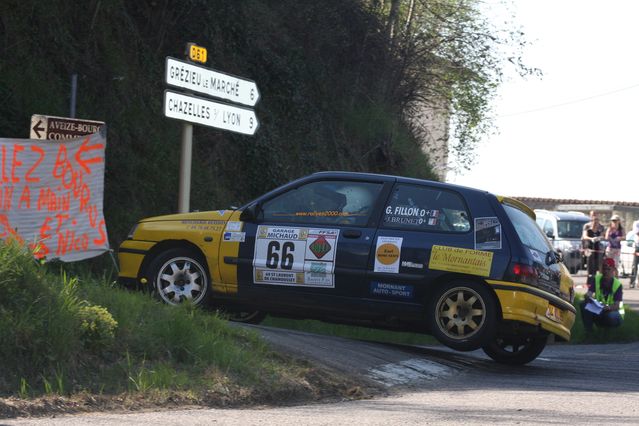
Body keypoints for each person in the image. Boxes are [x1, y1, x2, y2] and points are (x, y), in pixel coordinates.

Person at [580, 258, 624, 331]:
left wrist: (607, 308)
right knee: (583, 304)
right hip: (599, 308)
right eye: (604, 269)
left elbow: (616, 306)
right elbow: (589, 293)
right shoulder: (597, 279)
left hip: (613, 311)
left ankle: (609, 332)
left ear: (613, 270)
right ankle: (589, 331)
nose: (605, 271)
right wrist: (587, 296)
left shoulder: (617, 285)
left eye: (608, 269)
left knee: (611, 316)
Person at [582, 210, 605, 276]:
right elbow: (584, 236)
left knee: (598, 264)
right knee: (589, 264)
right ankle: (589, 280)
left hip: (597, 248)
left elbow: (603, 236)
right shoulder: (587, 226)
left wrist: (599, 238)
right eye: (593, 215)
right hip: (589, 247)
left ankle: (596, 280)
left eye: (595, 215)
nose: (594, 216)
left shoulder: (601, 227)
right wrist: (591, 238)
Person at [631, 219, 639, 288]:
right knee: (635, 265)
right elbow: (637, 232)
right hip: (637, 246)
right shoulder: (636, 223)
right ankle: (632, 282)